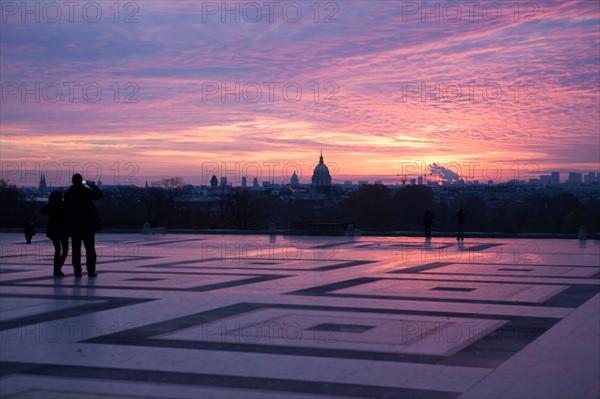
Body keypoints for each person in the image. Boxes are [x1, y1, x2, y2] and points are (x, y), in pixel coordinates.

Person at [64, 174, 103, 277]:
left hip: (75, 225)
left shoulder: (69, 193)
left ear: (73, 181)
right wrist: (92, 185)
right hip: (87, 224)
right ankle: (91, 270)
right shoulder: (85, 191)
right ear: (81, 181)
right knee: (90, 249)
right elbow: (99, 195)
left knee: (76, 250)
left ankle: (77, 270)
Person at [41, 191, 69, 276]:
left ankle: (56, 268)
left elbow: (42, 211)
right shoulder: (63, 205)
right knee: (65, 251)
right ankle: (58, 267)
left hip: (53, 231)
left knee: (57, 250)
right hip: (63, 231)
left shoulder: (51, 206)